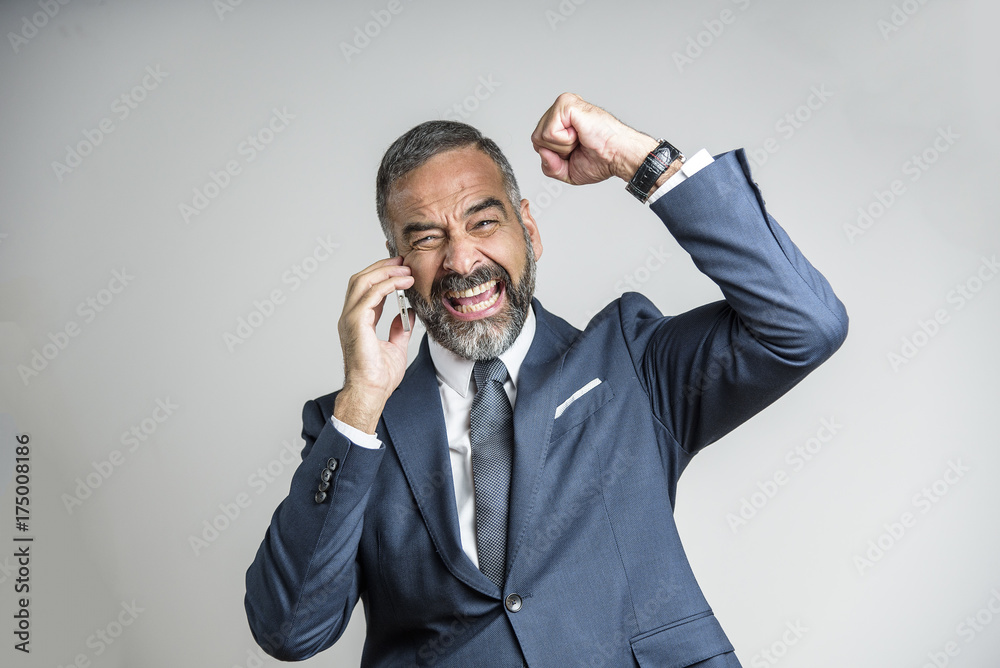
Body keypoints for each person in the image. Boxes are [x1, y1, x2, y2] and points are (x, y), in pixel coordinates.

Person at [244, 93, 848, 667]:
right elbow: (290, 631)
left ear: (528, 231)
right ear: (396, 264)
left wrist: (637, 160)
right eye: (427, 238)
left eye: (483, 223)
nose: (461, 261)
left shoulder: (630, 363)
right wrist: (361, 403)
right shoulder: (353, 428)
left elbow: (805, 324)